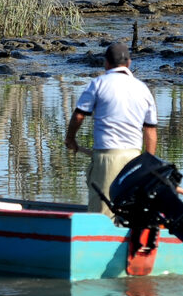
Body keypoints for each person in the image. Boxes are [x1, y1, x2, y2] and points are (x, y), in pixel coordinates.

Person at [64, 41, 158, 221]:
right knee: (129, 213)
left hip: (107, 158)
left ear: (106, 63)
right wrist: (148, 163)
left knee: (102, 215)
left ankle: (100, 245)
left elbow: (78, 116)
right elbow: (150, 131)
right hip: (134, 159)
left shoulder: (98, 84)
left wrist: (70, 139)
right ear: (129, 63)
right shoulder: (143, 89)